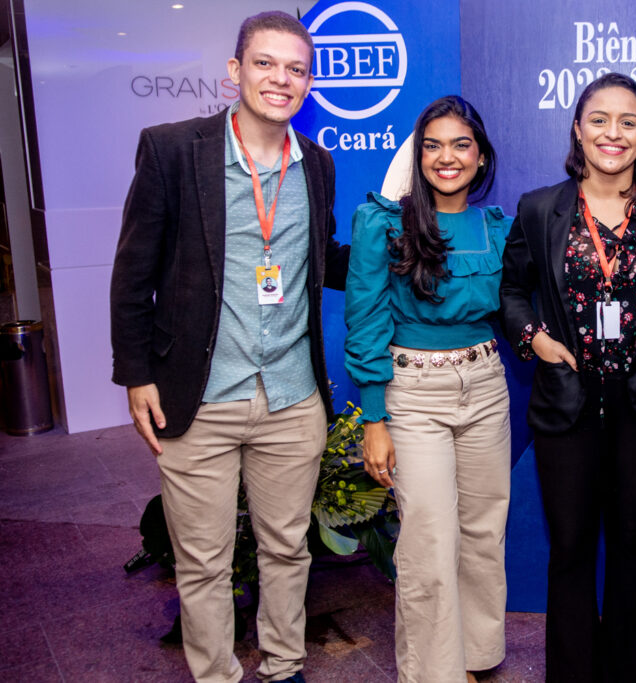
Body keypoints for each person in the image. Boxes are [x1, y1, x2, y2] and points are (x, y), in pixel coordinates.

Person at [109, 11, 349, 683]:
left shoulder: (318, 165)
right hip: (198, 394)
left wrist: (403, 257)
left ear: (310, 83)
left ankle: (284, 666)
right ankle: (215, 674)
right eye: (266, 63)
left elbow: (317, 258)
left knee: (288, 549)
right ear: (235, 71)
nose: (281, 79)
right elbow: (133, 272)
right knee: (204, 559)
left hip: (292, 396)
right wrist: (136, 374)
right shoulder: (172, 149)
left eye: (296, 69)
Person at [500, 72, 636, 681]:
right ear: (578, 129)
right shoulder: (541, 208)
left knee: (632, 544)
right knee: (570, 550)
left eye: (628, 122)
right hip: (568, 400)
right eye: (599, 119)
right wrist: (535, 339)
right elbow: (510, 290)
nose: (612, 133)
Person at [344, 95, 512, 683]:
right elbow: (365, 321)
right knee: (429, 540)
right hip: (412, 392)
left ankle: (476, 656)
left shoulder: (501, 228)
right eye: (432, 145)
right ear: (418, 156)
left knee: (484, 531)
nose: (447, 157)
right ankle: (434, 673)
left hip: (486, 384)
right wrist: (374, 418)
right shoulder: (383, 223)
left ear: (482, 155)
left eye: (461, 145)